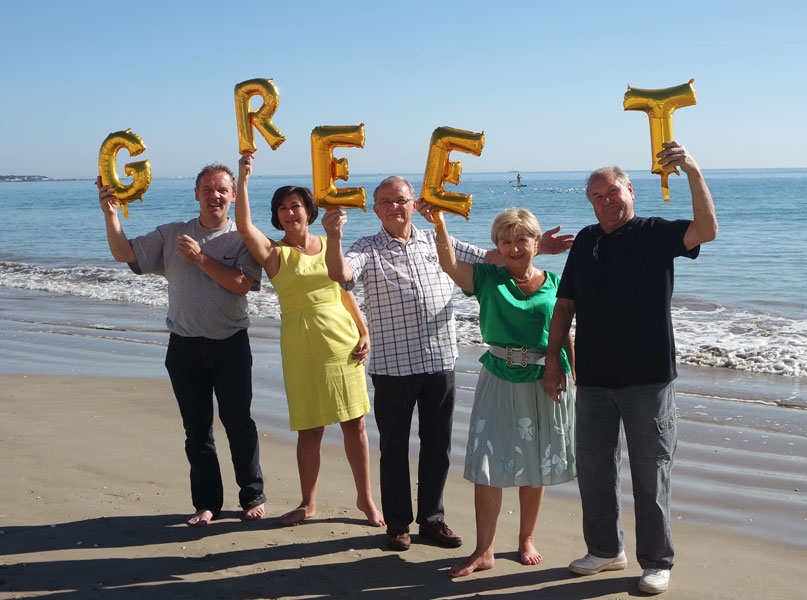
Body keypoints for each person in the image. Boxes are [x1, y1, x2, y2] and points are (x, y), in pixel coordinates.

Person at [321, 176, 573, 552]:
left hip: (439, 359)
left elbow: (486, 257)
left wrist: (536, 249)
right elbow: (341, 274)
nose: (394, 206)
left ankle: (432, 520)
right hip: (393, 365)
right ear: (375, 209)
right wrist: (335, 237)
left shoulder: (431, 239)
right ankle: (397, 524)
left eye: (401, 200)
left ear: (412, 203)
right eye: (386, 201)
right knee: (393, 447)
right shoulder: (365, 247)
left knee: (437, 445)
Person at [543, 141, 718, 595]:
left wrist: (693, 170)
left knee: (650, 471)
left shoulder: (654, 232)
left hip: (648, 379)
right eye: (596, 196)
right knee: (595, 469)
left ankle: (657, 561)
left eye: (612, 192)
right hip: (595, 379)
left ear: (630, 191)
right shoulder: (586, 240)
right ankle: (605, 550)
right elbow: (565, 306)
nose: (605, 201)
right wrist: (553, 362)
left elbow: (707, 229)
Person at [97, 164, 266, 527]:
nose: (215, 196)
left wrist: (201, 259)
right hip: (185, 346)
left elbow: (242, 284)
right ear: (196, 194)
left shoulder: (243, 238)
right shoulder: (173, 234)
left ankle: (252, 494)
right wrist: (111, 215)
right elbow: (124, 253)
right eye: (207, 189)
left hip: (230, 344)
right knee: (197, 430)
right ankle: (207, 503)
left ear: (233, 196)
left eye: (222, 190)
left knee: (239, 423)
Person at [233, 153, 383, 527]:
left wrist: (365, 331)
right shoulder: (274, 253)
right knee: (309, 428)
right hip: (301, 345)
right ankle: (308, 503)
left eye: (295, 206)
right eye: (282, 208)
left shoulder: (328, 241)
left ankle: (366, 500)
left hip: (341, 341)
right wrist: (243, 179)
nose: (289, 213)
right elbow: (243, 224)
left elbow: (345, 290)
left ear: (308, 210)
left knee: (356, 425)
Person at [430, 206, 576, 577]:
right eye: (506, 241)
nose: (514, 248)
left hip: (545, 379)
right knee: (487, 466)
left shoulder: (555, 282)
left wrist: (577, 378)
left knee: (536, 465)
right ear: (496, 245)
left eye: (521, 240)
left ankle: (526, 539)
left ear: (535, 242)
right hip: (498, 377)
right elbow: (448, 264)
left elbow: (563, 333)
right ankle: (484, 550)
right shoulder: (486, 278)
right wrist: (440, 224)